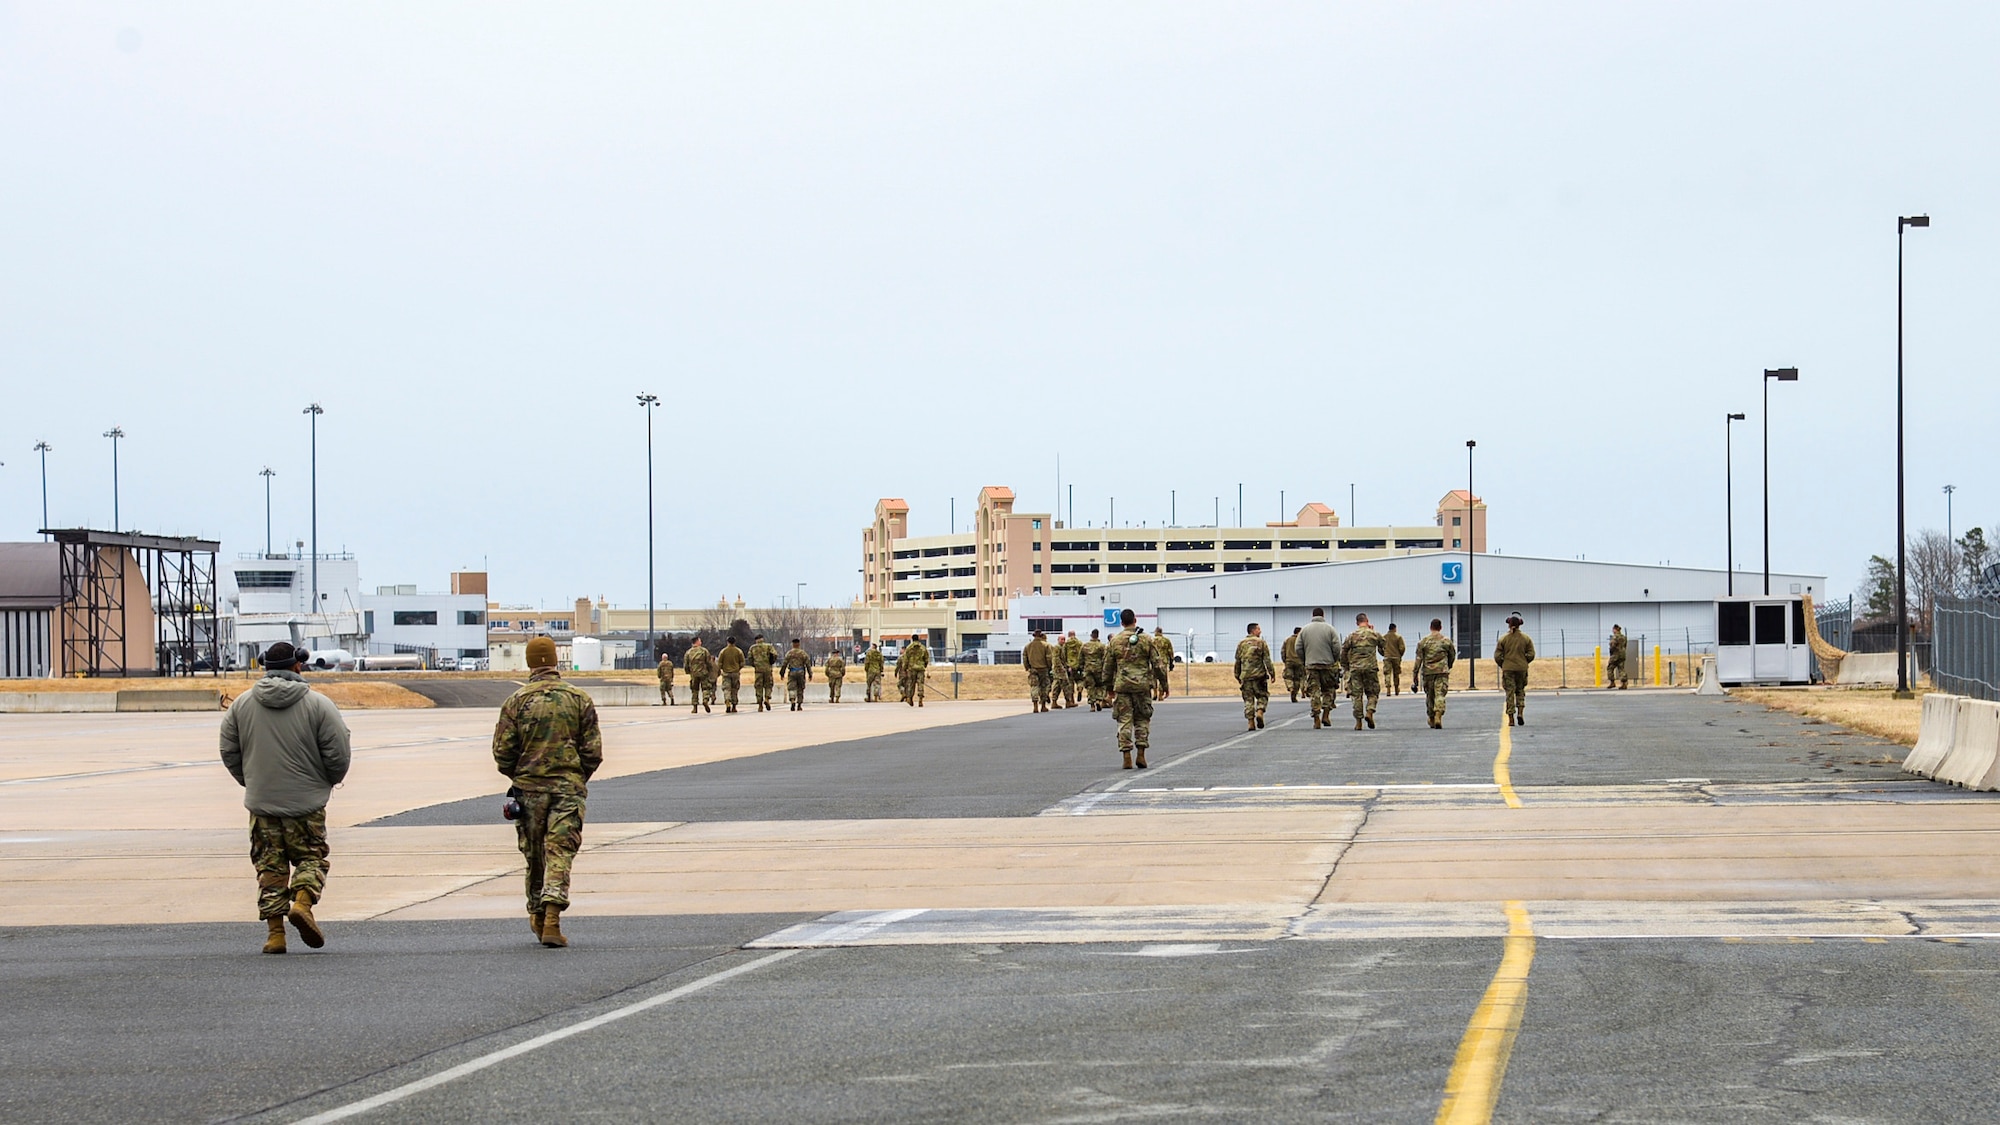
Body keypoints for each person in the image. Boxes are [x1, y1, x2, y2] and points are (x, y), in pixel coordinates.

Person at [219, 641, 352, 954]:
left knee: (270, 866)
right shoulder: (319, 705)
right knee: (311, 857)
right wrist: (329, 780)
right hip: (307, 803)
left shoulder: (240, 705)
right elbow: (338, 751)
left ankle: (275, 935)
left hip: (262, 803)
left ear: (265, 667)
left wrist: (249, 781)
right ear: (298, 666)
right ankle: (303, 905)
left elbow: (228, 749)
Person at [493, 635, 603, 948]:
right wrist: (576, 778)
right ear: (555, 660)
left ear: (529, 663)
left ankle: (538, 914)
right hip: (567, 789)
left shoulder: (516, 702)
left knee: (535, 855)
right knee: (560, 851)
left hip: (529, 790)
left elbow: (502, 752)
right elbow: (593, 751)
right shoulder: (578, 698)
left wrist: (520, 775)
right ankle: (553, 916)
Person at [1105, 609, 1166, 768]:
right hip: (1142, 686)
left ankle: (1126, 755)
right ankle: (1141, 753)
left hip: (1122, 686)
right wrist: (1164, 685)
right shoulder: (1146, 639)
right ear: (1135, 620)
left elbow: (1108, 667)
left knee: (1124, 720)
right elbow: (1158, 665)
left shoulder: (1115, 641)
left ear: (1121, 622)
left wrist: (1108, 688)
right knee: (1142, 719)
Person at [1297, 608, 1342, 730]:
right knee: (1328, 690)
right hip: (1327, 665)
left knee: (1314, 691)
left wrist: (1305, 659)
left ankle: (1316, 718)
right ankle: (1326, 714)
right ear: (1323, 615)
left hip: (1311, 665)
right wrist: (1334, 659)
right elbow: (1337, 647)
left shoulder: (1304, 630)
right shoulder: (1330, 629)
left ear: (1312, 615)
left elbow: (1298, 647)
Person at [1342, 613, 1385, 730]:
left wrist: (1346, 666)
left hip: (1355, 669)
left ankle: (1358, 722)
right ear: (1367, 621)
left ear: (1357, 623)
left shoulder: (1351, 636)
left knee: (1357, 695)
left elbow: (1344, 651)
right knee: (1373, 693)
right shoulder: (1374, 634)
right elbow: (1384, 650)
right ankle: (1370, 711)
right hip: (1370, 668)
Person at [1496, 612, 1537, 726]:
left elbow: (1497, 656)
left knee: (1510, 692)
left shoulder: (1503, 639)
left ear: (1509, 624)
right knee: (1520, 691)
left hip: (1508, 669)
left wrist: (1503, 664)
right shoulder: (1526, 639)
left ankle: (1511, 718)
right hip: (1521, 669)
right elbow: (1531, 654)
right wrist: (1524, 660)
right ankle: (1520, 713)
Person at [1233, 622, 1275, 731]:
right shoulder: (1261, 643)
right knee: (1262, 696)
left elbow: (1238, 661)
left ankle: (1250, 722)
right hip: (1259, 676)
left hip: (1246, 676)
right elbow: (1267, 660)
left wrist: (1237, 675)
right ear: (1253, 631)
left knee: (1248, 700)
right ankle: (1260, 711)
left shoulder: (1241, 644)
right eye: (1258, 629)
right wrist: (1272, 673)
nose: (1260, 631)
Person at [1415, 618, 1456, 728]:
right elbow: (1452, 655)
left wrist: (1415, 675)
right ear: (1440, 627)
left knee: (1430, 695)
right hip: (1442, 671)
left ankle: (1431, 717)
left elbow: (1418, 659)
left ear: (1430, 627)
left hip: (1428, 672)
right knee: (1440, 694)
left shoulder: (1423, 641)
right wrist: (1449, 665)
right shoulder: (1446, 641)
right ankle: (1438, 714)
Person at [1023, 629, 1054, 713]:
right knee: (1044, 687)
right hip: (1043, 669)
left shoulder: (1028, 646)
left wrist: (1027, 667)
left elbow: (1025, 658)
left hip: (1033, 669)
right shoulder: (1046, 645)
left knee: (1034, 687)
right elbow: (1049, 658)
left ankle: (1035, 705)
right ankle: (1043, 705)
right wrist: (1049, 667)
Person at [748, 634, 780, 712]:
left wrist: (754, 665)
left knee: (758, 687)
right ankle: (767, 698)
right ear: (762, 639)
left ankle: (760, 705)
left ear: (756, 640)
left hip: (758, 670)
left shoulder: (752, 648)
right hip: (767, 669)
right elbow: (775, 654)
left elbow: (750, 658)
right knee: (768, 685)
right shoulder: (768, 646)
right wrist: (771, 662)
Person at [681, 637, 713, 714]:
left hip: (694, 674)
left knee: (694, 690)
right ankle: (705, 700)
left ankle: (695, 707)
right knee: (706, 688)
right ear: (697, 642)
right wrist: (709, 670)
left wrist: (689, 672)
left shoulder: (688, 652)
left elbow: (686, 665)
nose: (701, 642)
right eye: (700, 641)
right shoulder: (704, 651)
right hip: (703, 673)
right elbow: (709, 662)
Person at [716, 636, 746, 714]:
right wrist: (738, 668)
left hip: (726, 673)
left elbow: (719, 663)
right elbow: (742, 663)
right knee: (734, 690)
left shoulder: (723, 651)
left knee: (726, 689)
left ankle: (727, 701)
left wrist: (722, 669)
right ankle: (734, 706)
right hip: (735, 673)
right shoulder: (739, 651)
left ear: (727, 642)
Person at [1080, 628, 1107, 711]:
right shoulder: (1102, 646)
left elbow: (1080, 658)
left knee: (1090, 686)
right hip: (1099, 668)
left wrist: (1081, 667)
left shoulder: (1084, 646)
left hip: (1088, 669)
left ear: (1091, 635)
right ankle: (1099, 700)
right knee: (1100, 685)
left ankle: (1092, 704)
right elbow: (1105, 658)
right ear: (1098, 635)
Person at [900, 633, 930, 706]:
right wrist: (924, 665)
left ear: (912, 639)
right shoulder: (923, 647)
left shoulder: (909, 648)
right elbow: (926, 658)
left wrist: (904, 668)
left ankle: (910, 698)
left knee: (911, 684)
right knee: (920, 684)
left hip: (911, 668)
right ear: (918, 639)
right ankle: (920, 699)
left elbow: (905, 659)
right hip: (920, 668)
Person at [782, 638, 812, 711]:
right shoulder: (803, 653)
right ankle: (799, 704)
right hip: (801, 672)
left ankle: (792, 700)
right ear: (799, 644)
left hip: (792, 672)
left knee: (792, 687)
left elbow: (784, 664)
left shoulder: (789, 653)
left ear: (793, 644)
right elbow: (808, 664)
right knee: (800, 688)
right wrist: (810, 674)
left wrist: (782, 673)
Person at [1059, 631, 1084, 709]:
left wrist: (1066, 664)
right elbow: (1083, 653)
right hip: (1078, 665)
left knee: (1070, 683)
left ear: (1069, 635)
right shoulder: (1080, 643)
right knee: (1080, 680)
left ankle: (1072, 700)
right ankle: (1080, 688)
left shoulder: (1066, 644)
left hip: (1070, 666)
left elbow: (1063, 654)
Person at [1381, 623, 1407, 696]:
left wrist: (1384, 653)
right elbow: (1402, 648)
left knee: (1387, 673)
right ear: (1395, 628)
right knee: (1396, 673)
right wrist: (1399, 655)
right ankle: (1396, 688)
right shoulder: (1398, 637)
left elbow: (1380, 647)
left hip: (1387, 657)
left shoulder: (1384, 637)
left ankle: (1388, 689)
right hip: (1396, 657)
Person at [1281, 626, 1305, 703]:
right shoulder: (1301, 640)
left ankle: (1290, 687)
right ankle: (1295, 694)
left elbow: (1283, 651)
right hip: (1299, 661)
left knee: (1288, 677)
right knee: (1297, 678)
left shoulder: (1287, 640)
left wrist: (1284, 660)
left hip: (1289, 661)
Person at [1151, 626, 1175, 700]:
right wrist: (1171, 663)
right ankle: (1160, 695)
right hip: (1163, 662)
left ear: (1156, 632)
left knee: (1153, 678)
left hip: (1154, 661)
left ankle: (1154, 693)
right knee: (1162, 678)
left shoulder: (1152, 640)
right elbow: (1170, 652)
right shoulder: (1166, 640)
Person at [1607, 624, 1629, 690]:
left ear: (1615, 629)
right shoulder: (1624, 637)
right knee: (1621, 669)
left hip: (1615, 655)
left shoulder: (1615, 637)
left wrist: (1611, 652)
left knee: (1610, 668)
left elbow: (1612, 646)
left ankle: (1612, 682)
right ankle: (1624, 683)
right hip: (1622, 655)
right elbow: (1625, 645)